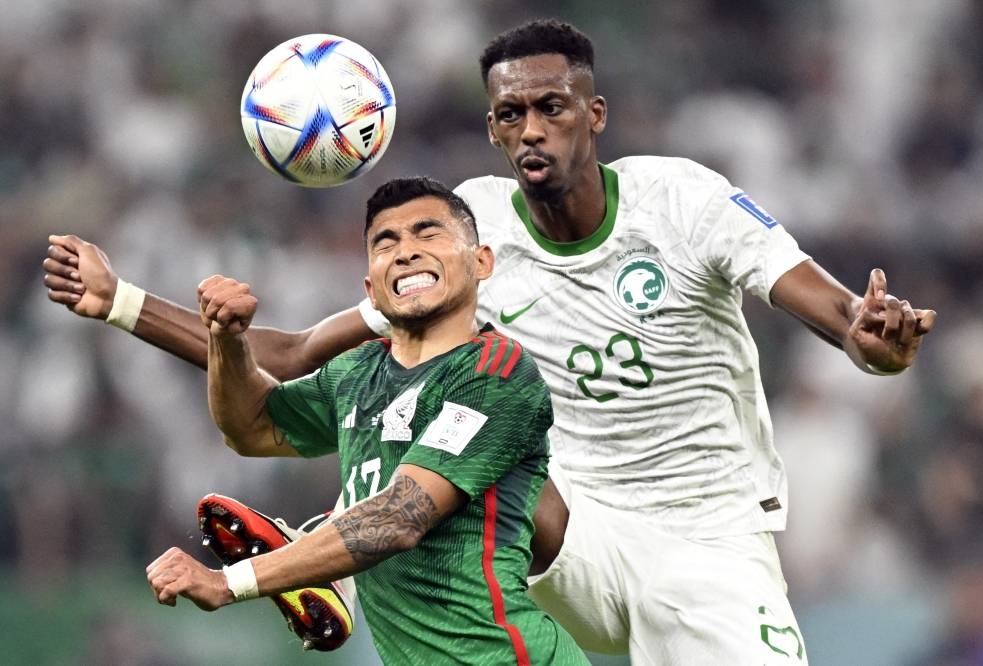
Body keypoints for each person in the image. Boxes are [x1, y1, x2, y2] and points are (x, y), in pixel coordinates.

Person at [45, 19, 936, 665]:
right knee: (455, 403)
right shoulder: (472, 238)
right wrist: (120, 300)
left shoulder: (684, 201)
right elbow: (283, 359)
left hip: (708, 540)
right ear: (492, 129)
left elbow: (839, 317)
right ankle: (329, 558)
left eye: (551, 107)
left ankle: (316, 550)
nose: (531, 129)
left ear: (595, 113)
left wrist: (874, 339)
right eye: (511, 115)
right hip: (565, 532)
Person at [145, 176, 589, 665]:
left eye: (428, 233)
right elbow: (250, 427)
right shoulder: (357, 371)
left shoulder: (497, 373)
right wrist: (225, 340)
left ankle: (320, 556)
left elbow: (401, 516)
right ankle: (322, 557)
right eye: (386, 242)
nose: (407, 252)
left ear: (481, 262)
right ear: (370, 290)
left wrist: (229, 583)